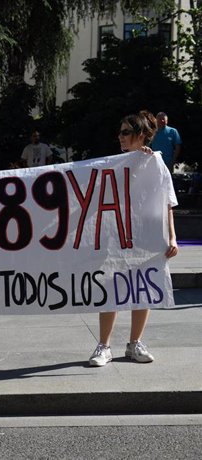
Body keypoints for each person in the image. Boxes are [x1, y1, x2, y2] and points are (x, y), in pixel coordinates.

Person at [89, 111, 178, 367]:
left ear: (141, 136)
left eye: (126, 132)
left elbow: (167, 203)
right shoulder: (113, 163)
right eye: (120, 132)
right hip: (115, 235)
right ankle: (103, 345)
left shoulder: (156, 164)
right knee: (110, 287)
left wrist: (172, 237)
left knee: (143, 288)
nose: (120, 137)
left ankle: (134, 343)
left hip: (146, 235)